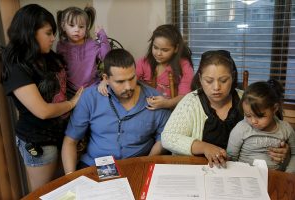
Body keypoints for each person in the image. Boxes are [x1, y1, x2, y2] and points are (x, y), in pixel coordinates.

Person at [0, 4, 82, 192]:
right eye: (48, 33)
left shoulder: (47, 55)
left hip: (64, 134)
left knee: (65, 190)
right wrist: (72, 103)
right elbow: (43, 111)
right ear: (30, 33)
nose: (53, 38)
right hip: (39, 139)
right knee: (44, 193)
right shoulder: (16, 66)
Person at [161, 50, 289, 168]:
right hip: (199, 170)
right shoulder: (190, 102)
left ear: (232, 77)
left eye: (223, 80)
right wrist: (204, 147)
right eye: (209, 81)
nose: (216, 87)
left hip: (243, 172)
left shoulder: (246, 100)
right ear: (200, 78)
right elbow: (167, 138)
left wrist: (283, 150)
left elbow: (276, 128)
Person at [61, 49, 171, 174]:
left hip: (136, 166)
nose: (128, 86)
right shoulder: (90, 97)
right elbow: (70, 141)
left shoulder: (156, 99)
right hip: (95, 166)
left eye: (132, 78)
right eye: (120, 81)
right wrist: (70, 178)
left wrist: (146, 165)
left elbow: (163, 138)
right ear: (106, 78)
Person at [98, 24, 194, 109]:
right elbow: (127, 78)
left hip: (173, 110)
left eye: (165, 50)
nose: (158, 53)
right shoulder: (144, 62)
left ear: (176, 48)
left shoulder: (184, 65)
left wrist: (167, 103)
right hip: (146, 108)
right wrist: (106, 81)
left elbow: (185, 96)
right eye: (155, 47)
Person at [227, 79, 295, 173]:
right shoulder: (240, 129)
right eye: (248, 115)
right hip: (245, 176)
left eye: (260, 116)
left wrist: (288, 174)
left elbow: (294, 155)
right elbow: (231, 158)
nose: (253, 121)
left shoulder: (286, 129)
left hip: (276, 177)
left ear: (274, 108)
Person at [56, 6, 110, 98]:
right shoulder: (61, 46)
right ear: (63, 26)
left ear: (86, 28)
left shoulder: (92, 44)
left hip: (93, 88)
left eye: (81, 27)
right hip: (70, 91)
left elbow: (106, 56)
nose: (77, 29)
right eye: (72, 25)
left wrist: (103, 36)